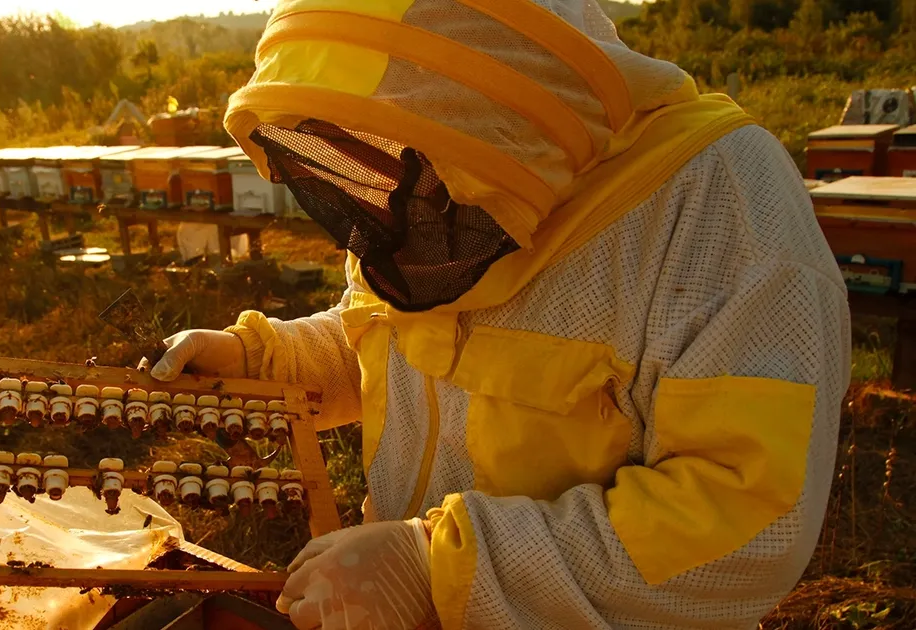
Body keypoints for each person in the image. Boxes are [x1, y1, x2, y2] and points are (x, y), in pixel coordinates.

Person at [151, 0, 851, 627]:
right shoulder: (421, 183)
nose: (394, 190)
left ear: (497, 95)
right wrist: (265, 361)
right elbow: (390, 338)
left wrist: (439, 567)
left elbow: (749, 517)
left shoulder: (719, 205)